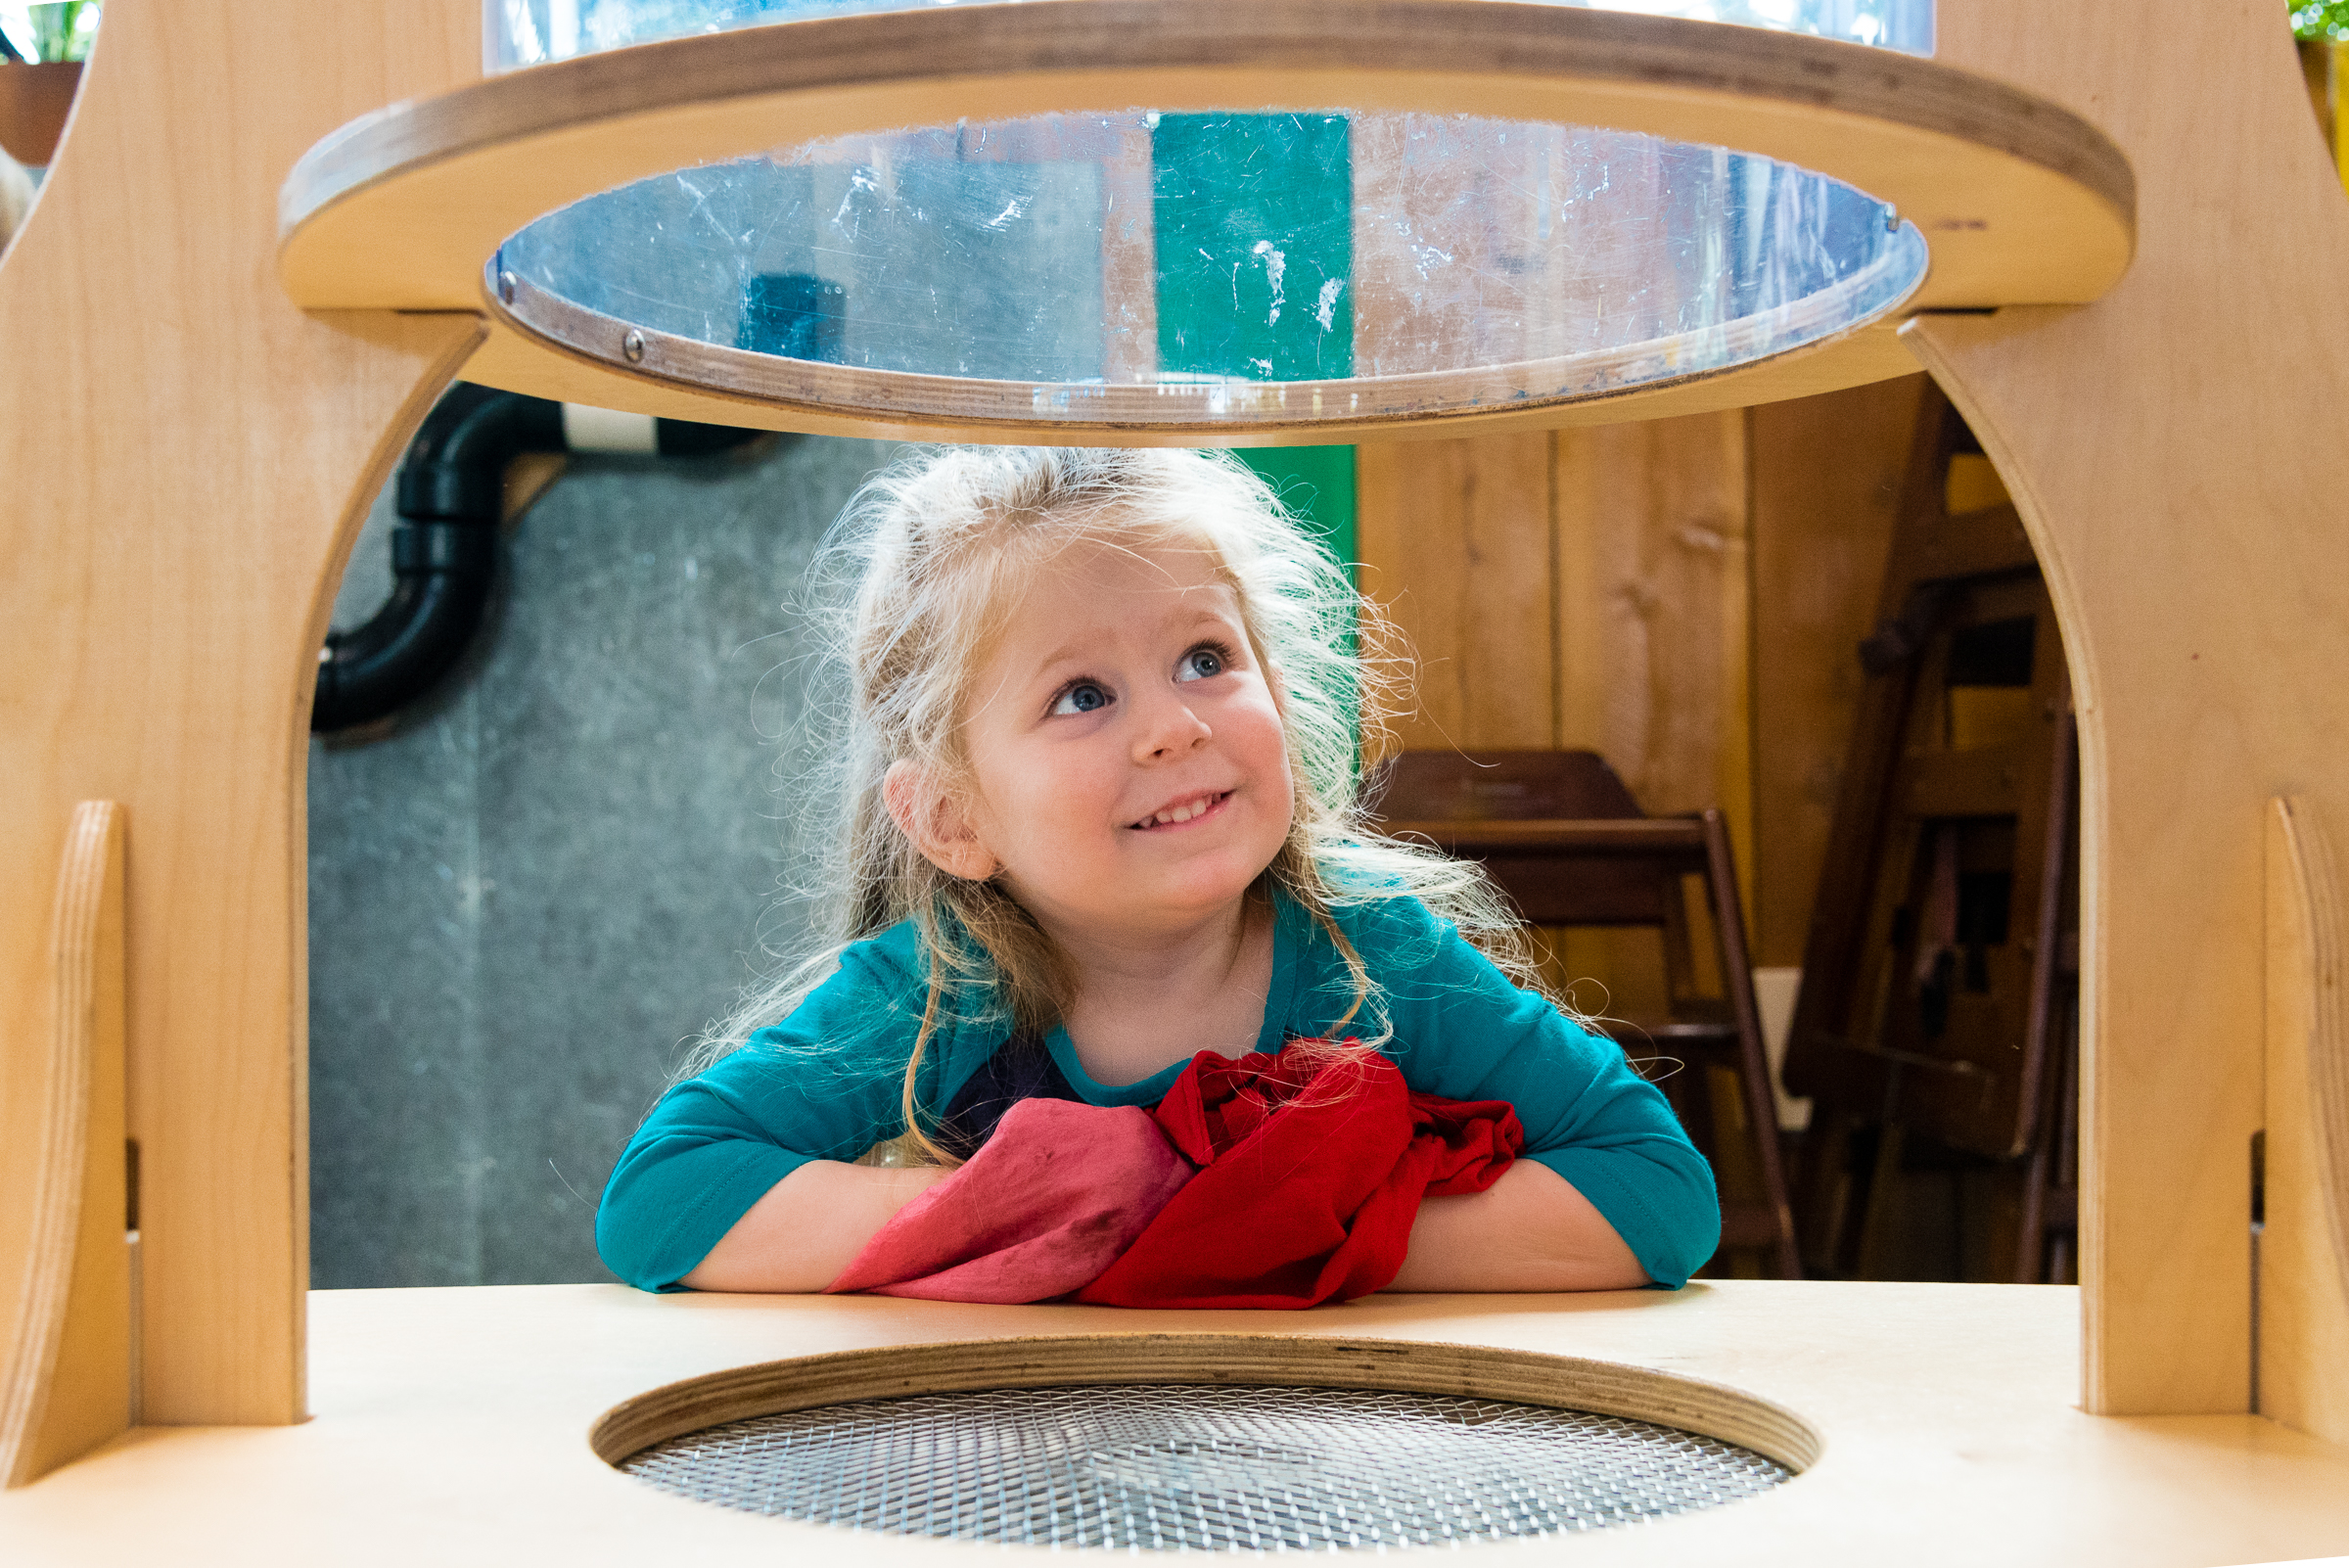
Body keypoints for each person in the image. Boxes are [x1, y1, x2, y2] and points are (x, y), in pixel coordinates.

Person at [596, 447, 1718, 1296]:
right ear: (951, 815)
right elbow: (661, 1201)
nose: (1175, 727)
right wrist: (1045, 1210)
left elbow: (1657, 1193)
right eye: (1082, 696)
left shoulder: (1371, 952)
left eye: (1206, 658)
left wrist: (1270, 1231)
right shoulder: (943, 984)